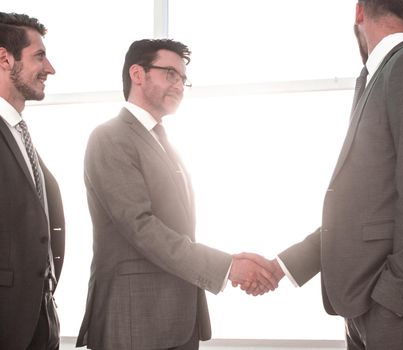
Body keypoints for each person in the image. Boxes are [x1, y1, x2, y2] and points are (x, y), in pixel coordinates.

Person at [239, 0, 403, 348]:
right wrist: (283, 266)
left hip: (399, 307)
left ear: (358, 12)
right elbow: (360, 206)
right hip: (366, 302)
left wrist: (397, 296)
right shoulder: (379, 76)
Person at [75, 38, 278, 350]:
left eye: (183, 78)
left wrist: (229, 263)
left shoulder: (163, 142)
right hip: (134, 322)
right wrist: (227, 267)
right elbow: (141, 227)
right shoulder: (110, 137)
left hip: (176, 320)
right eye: (170, 73)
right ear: (137, 74)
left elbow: (177, 229)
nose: (180, 85)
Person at [0, 12, 64, 350]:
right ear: (4, 58)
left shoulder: (20, 132)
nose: (50, 68)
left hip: (39, 321)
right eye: (39, 56)